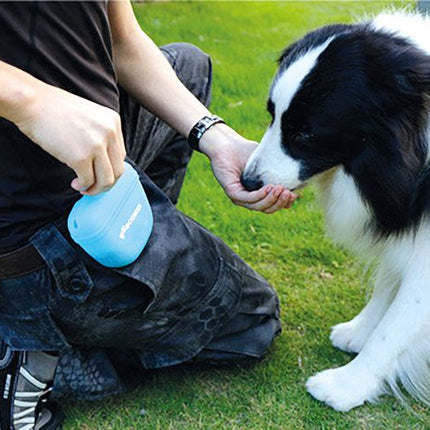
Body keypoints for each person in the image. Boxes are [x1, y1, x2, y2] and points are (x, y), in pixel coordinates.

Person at [0, 2, 296, 429]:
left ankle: (134, 263)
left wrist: (215, 137)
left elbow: (123, 38)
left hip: (96, 161)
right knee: (253, 319)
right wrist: (31, 101)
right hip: (35, 225)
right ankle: (31, 341)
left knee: (188, 66)